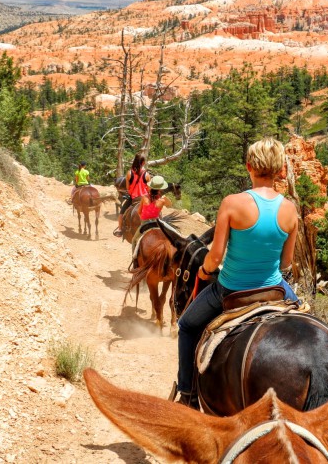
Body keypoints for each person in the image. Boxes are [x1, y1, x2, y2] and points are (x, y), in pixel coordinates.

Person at [175, 137, 299, 409]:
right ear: (280, 171)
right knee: (304, 320)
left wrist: (206, 271)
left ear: (249, 167)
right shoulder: (290, 210)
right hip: (272, 288)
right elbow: (285, 264)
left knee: (186, 326)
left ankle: (187, 393)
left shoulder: (232, 203)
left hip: (230, 290)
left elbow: (215, 256)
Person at [130, 175, 173, 245]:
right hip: (156, 223)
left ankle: (134, 256)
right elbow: (170, 204)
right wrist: (165, 197)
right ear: (160, 189)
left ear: (151, 187)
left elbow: (139, 211)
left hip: (144, 223)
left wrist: (143, 219)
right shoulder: (162, 201)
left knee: (134, 240)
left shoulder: (144, 198)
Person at [116, 153, 151, 235]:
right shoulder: (147, 175)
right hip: (145, 199)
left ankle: (120, 229)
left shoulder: (129, 173)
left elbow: (128, 188)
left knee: (121, 213)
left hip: (133, 199)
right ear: (143, 163)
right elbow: (149, 189)